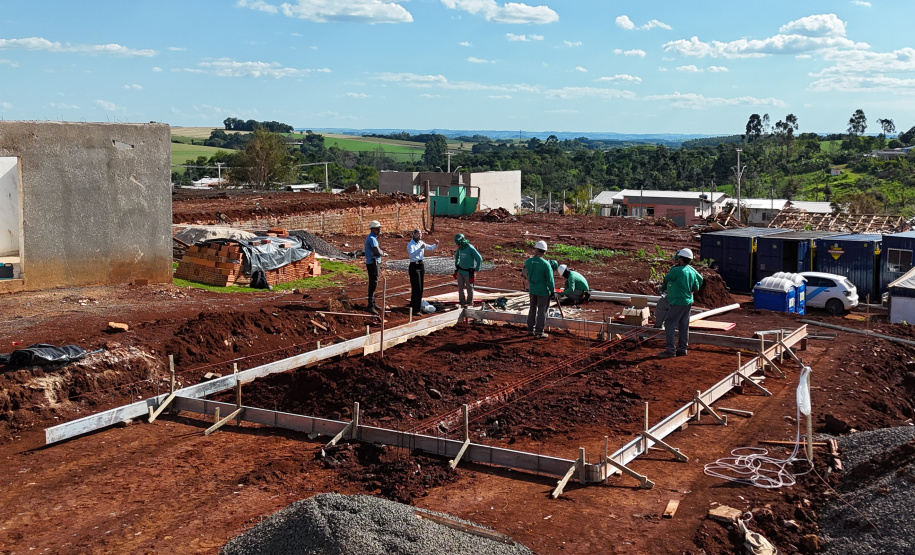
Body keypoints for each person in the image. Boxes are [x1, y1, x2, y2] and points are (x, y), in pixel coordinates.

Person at [658, 248, 703, 358]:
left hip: (678, 301)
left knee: (669, 323)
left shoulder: (676, 270)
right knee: (683, 324)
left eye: (678, 259)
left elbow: (666, 279)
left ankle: (670, 350)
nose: (676, 260)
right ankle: (682, 348)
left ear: (681, 259)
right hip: (688, 301)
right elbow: (698, 283)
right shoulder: (691, 270)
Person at [522, 240, 554, 338]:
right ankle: (539, 332)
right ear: (544, 252)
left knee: (532, 309)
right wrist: (552, 291)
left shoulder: (528, 262)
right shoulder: (546, 264)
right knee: (541, 311)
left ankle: (530, 329)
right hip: (543, 291)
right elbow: (550, 280)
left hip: (532, 289)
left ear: (536, 249)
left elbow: (524, 273)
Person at [407, 228, 439, 315]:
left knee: (420, 287)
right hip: (414, 266)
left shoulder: (421, 243)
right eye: (418, 234)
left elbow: (431, 248)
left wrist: (435, 244)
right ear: (414, 235)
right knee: (416, 287)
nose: (419, 235)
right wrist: (420, 249)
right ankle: (415, 309)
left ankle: (415, 305)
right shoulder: (411, 244)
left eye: (420, 234)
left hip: (421, 265)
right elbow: (412, 255)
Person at [453, 233, 483, 308]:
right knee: (460, 287)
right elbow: (457, 256)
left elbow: (479, 258)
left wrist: (477, 268)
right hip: (460, 271)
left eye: (458, 244)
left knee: (469, 287)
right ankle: (462, 301)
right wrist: (457, 263)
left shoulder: (470, 248)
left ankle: (469, 302)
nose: (458, 246)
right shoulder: (460, 248)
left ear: (461, 242)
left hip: (468, 272)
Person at [364, 220, 386, 315]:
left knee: (374, 281)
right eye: (377, 229)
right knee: (373, 282)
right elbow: (376, 251)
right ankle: (370, 305)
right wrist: (384, 254)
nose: (379, 230)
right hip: (373, 262)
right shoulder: (372, 239)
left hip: (374, 262)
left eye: (379, 229)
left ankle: (373, 303)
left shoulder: (373, 238)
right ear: (372, 229)